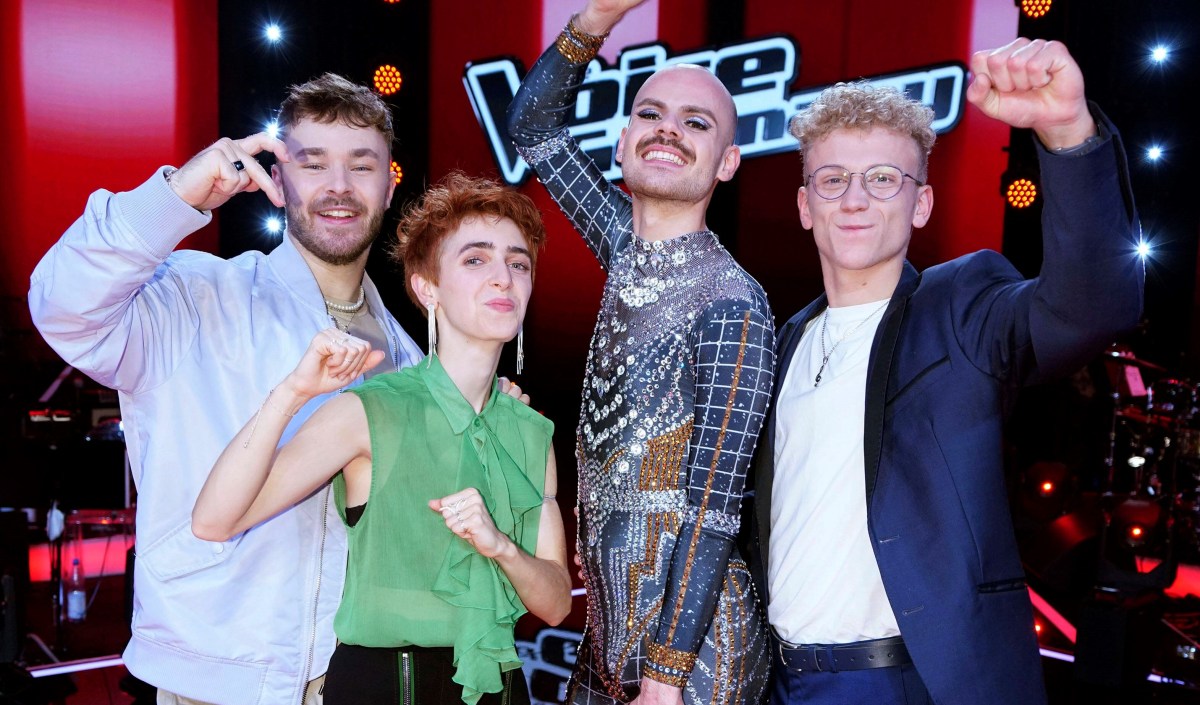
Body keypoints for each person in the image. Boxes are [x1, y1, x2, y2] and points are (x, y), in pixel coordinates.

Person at [749, 39, 1144, 705]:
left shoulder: (960, 306)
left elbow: (1093, 303)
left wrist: (1067, 132)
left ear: (922, 203)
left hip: (915, 682)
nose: (854, 199)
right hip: (783, 682)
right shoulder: (783, 342)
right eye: (832, 179)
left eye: (883, 179)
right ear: (805, 205)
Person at [28, 74, 427, 705]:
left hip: (358, 673)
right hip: (217, 671)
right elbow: (62, 306)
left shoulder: (407, 354)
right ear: (279, 179)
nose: (339, 186)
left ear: (389, 184)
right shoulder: (197, 296)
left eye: (361, 165)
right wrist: (175, 197)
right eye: (313, 163)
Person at [192, 171, 571, 705]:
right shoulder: (371, 410)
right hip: (387, 685)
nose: (502, 279)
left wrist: (501, 547)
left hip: (500, 687)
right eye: (475, 259)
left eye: (518, 263)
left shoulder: (530, 431)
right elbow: (213, 521)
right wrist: (293, 392)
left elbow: (555, 604)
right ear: (427, 288)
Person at [506, 1, 775, 703]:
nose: (668, 129)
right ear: (623, 142)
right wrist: (597, 17)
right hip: (605, 638)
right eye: (651, 114)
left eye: (697, 123)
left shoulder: (733, 302)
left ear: (728, 162)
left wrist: (666, 671)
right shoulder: (623, 245)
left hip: (697, 657)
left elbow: (714, 508)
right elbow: (533, 127)